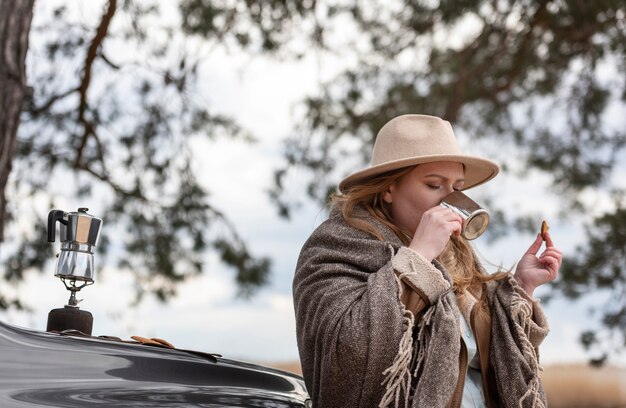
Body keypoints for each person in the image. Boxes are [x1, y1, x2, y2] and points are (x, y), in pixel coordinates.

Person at [293, 114, 562, 408]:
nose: (452, 201)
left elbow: (494, 355)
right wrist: (417, 260)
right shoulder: (335, 246)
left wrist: (522, 287)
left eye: (457, 188)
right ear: (389, 189)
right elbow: (348, 357)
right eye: (434, 185)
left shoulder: (455, 255)